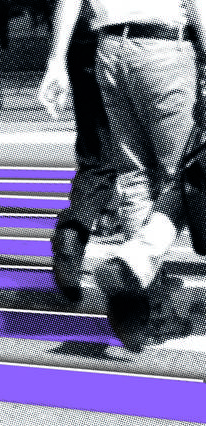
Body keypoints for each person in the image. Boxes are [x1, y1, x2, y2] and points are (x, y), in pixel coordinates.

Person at [38, 0, 206, 352]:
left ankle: (147, 307)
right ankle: (138, 263)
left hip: (110, 51)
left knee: (135, 176)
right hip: (165, 50)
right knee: (189, 175)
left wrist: (56, 61)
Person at [39, 0, 114, 302]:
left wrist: (56, 59)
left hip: (85, 39)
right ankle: (147, 282)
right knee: (155, 163)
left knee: (96, 156)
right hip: (153, 45)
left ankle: (73, 232)